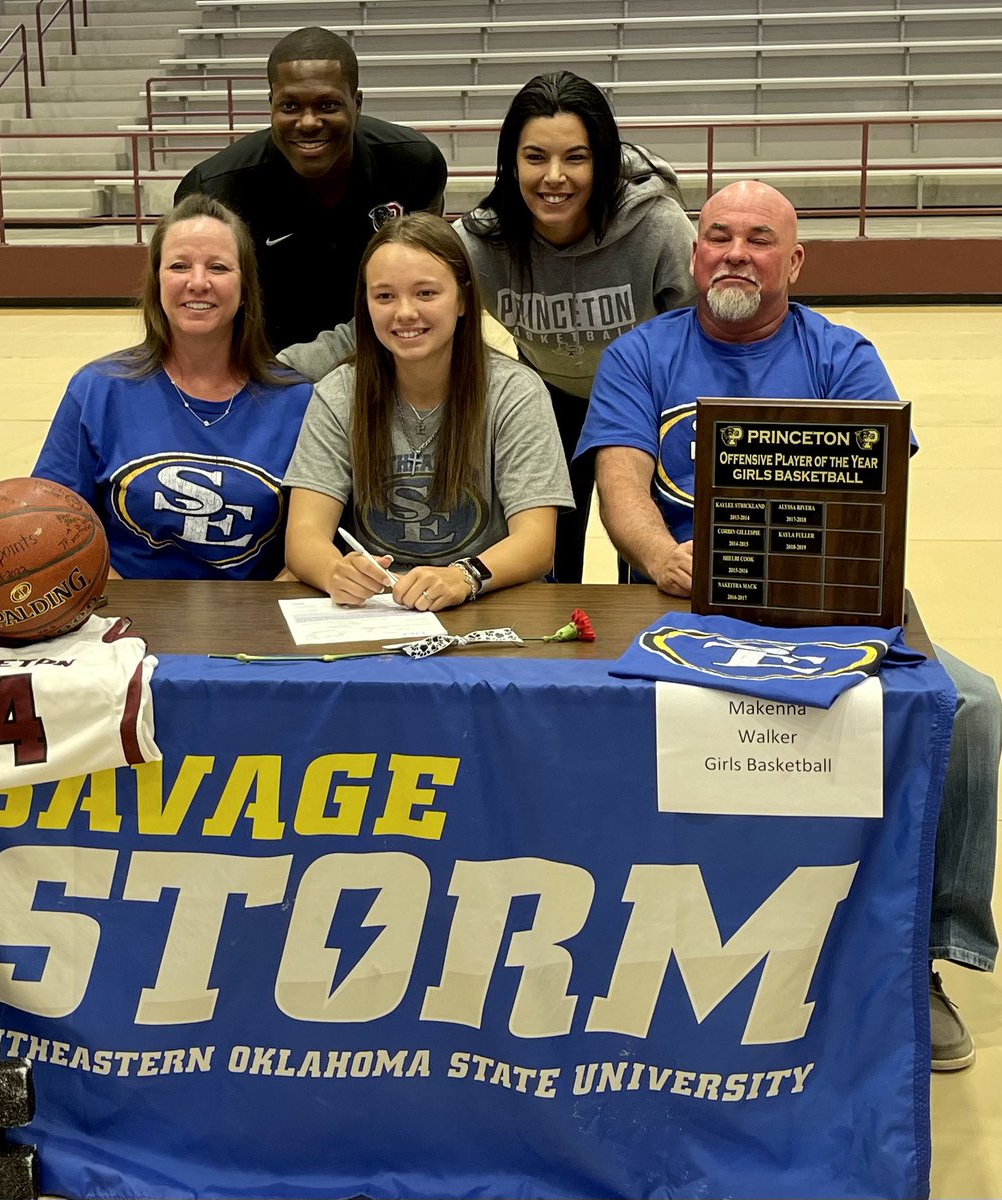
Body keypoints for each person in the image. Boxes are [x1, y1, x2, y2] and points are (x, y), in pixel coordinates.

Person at [576, 178, 1001, 1071]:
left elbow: (876, 491)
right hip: (677, 610)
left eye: (758, 239)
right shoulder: (639, 355)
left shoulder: (843, 355)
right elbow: (619, 486)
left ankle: (927, 958)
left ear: (793, 261)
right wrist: (660, 556)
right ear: (692, 256)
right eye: (717, 236)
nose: (734, 252)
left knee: (970, 709)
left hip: (818, 612)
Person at [454, 71, 695, 582]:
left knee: (654, 562)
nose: (554, 177)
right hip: (550, 400)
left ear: (601, 160)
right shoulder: (480, 243)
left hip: (647, 406)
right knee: (549, 563)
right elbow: (408, 305)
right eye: (535, 157)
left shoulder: (658, 228)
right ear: (511, 161)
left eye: (576, 158)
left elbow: (700, 334)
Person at [283, 212, 572, 610]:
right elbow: (303, 536)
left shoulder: (515, 392)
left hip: (486, 601)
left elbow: (537, 544)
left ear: (463, 299)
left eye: (426, 293)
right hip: (378, 610)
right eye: (384, 296)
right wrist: (335, 572)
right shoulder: (339, 392)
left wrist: (463, 576)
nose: (404, 312)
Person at [33, 193, 312, 580]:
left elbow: (316, 545)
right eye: (179, 266)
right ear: (157, 282)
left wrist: (263, 627)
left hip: (252, 627)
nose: (198, 283)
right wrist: (124, 617)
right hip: (123, 619)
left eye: (218, 267)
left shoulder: (298, 401)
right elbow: (53, 526)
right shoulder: (98, 389)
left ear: (246, 286)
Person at [173, 26, 447, 351]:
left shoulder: (413, 164)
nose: (308, 122)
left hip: (382, 354)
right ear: (271, 104)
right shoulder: (215, 190)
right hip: (267, 370)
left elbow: (428, 282)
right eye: (289, 107)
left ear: (356, 104)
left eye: (327, 106)